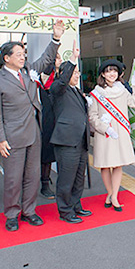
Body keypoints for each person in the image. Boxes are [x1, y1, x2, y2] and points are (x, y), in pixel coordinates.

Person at [0, 23, 62, 231]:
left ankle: (29, 211)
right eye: (18, 54)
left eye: (23, 53)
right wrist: (0, 139)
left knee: (32, 176)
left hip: (33, 133)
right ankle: (11, 214)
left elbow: (46, 59)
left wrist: (55, 38)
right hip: (11, 138)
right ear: (7, 58)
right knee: (12, 179)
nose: (22, 57)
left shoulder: (28, 71)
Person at [88, 60, 135, 211]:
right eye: (108, 71)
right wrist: (104, 128)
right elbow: (92, 116)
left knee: (118, 164)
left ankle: (115, 196)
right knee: (105, 165)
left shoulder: (123, 90)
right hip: (105, 133)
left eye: (115, 71)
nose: (112, 74)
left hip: (120, 133)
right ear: (103, 74)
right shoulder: (96, 93)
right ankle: (110, 193)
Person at [49, 41, 92, 224]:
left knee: (78, 177)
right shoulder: (59, 89)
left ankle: (76, 204)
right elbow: (62, 80)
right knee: (66, 178)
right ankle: (65, 210)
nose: (76, 76)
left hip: (80, 141)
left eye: (77, 72)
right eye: (73, 73)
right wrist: (73, 59)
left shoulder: (77, 91)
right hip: (66, 141)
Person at [39, 52, 62, 199]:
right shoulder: (43, 77)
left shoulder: (62, 76)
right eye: (55, 58)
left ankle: (62, 183)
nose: (57, 61)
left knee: (62, 153)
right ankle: (45, 184)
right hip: (46, 118)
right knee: (46, 154)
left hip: (61, 118)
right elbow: (47, 73)